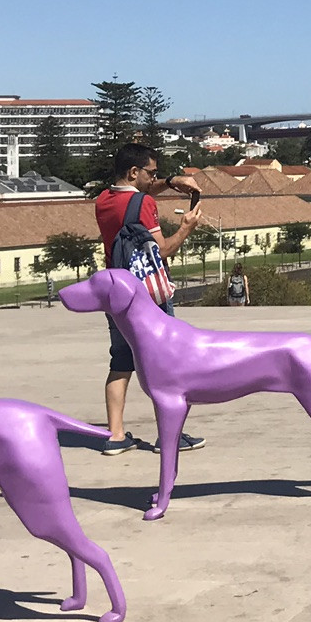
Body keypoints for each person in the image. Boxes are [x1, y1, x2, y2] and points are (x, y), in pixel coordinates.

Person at [95, 144, 206, 456]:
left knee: (120, 361)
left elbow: (135, 194)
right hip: (148, 296)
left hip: (116, 291)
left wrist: (170, 182)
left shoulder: (103, 200)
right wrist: (185, 228)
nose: (153, 179)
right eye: (151, 173)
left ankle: (115, 436)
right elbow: (163, 250)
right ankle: (170, 436)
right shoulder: (144, 204)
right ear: (134, 172)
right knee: (165, 366)